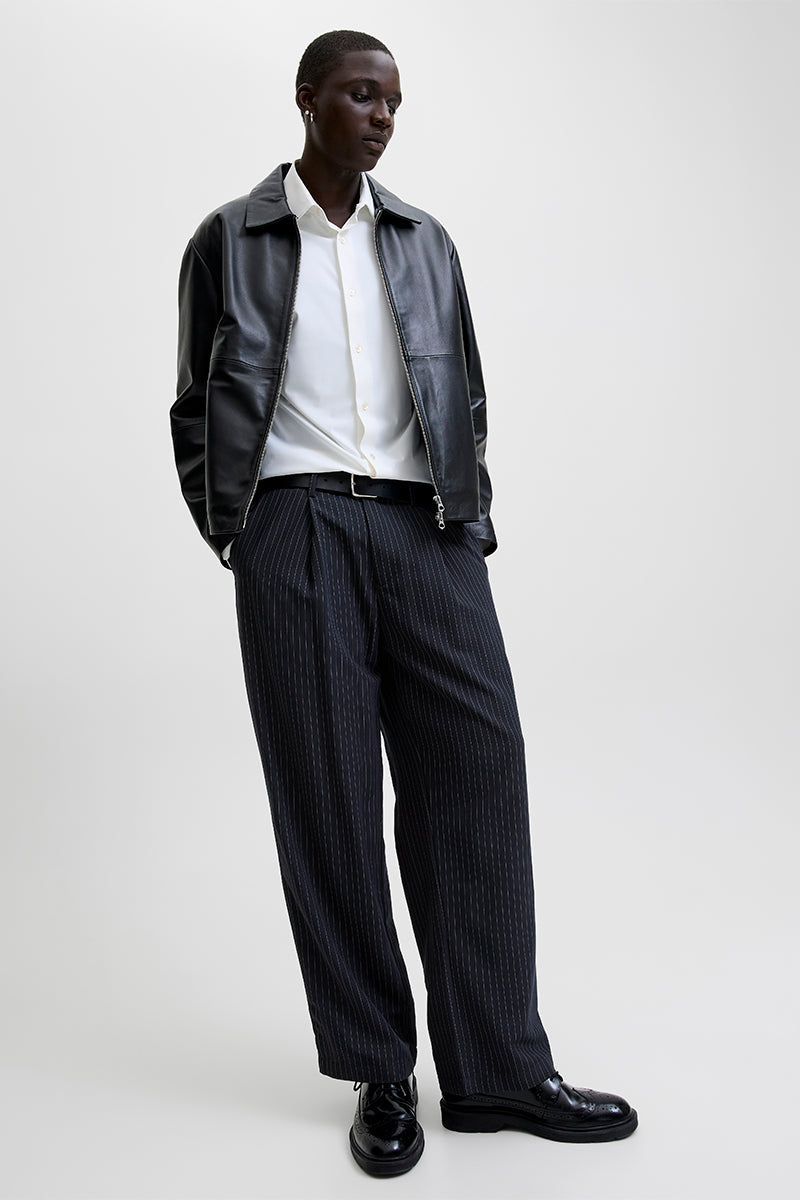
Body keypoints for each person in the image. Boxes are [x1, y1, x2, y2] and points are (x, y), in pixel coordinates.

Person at [171, 28, 638, 1178]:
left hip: (424, 528)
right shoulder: (230, 238)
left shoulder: (424, 240)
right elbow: (195, 402)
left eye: (391, 101)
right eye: (359, 95)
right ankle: (379, 1069)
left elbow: (461, 389)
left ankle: (495, 1069)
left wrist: (466, 522)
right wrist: (243, 534)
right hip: (296, 528)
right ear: (307, 100)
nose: (380, 116)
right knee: (328, 797)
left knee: (475, 774)